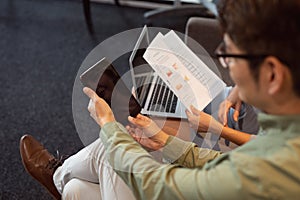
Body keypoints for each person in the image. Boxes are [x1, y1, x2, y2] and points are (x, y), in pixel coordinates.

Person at [20, 0, 300, 199]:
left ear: (272, 74)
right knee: (77, 191)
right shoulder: (281, 133)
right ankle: (60, 181)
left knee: (111, 154)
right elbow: (223, 162)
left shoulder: (272, 168)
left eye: (230, 54)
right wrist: (165, 141)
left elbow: (159, 187)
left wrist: (108, 126)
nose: (226, 64)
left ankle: (57, 176)